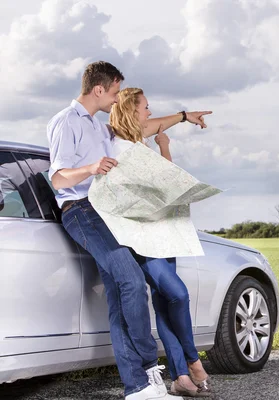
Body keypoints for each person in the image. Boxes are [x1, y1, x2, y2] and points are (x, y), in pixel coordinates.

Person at [47, 61, 210, 400]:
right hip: (81, 211)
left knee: (121, 299)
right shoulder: (66, 122)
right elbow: (58, 178)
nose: (117, 98)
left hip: (106, 213)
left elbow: (144, 128)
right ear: (99, 89)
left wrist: (182, 116)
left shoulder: (98, 127)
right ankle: (149, 368)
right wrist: (91, 167)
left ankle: (137, 387)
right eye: (116, 91)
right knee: (133, 281)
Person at [108, 87, 211, 397]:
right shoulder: (116, 144)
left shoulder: (137, 138)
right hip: (141, 238)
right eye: (146, 108)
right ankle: (193, 361)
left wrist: (182, 117)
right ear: (132, 111)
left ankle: (180, 376)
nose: (150, 113)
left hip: (162, 231)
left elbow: (159, 132)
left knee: (165, 302)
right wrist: (165, 145)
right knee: (177, 294)